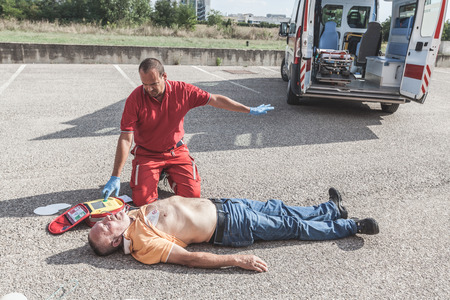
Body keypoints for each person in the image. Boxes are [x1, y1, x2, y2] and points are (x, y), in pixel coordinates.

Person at [101, 58, 274, 206]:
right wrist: (115, 175)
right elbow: (125, 137)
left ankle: (168, 174)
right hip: (148, 155)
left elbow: (215, 99)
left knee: (192, 198)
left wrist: (248, 109)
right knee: (143, 202)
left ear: (164, 77)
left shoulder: (182, 91)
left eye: (153, 84)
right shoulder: (135, 99)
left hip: (176, 151)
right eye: (144, 84)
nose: (149, 89)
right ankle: (154, 174)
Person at [88, 188, 379, 272]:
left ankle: (331, 210)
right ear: (116, 242)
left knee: (281, 209)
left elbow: (98, 209)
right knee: (292, 226)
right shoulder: (142, 244)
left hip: (225, 204)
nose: (106, 219)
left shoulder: (132, 217)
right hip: (230, 226)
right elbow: (190, 258)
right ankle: (350, 226)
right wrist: (236, 260)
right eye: (104, 225)